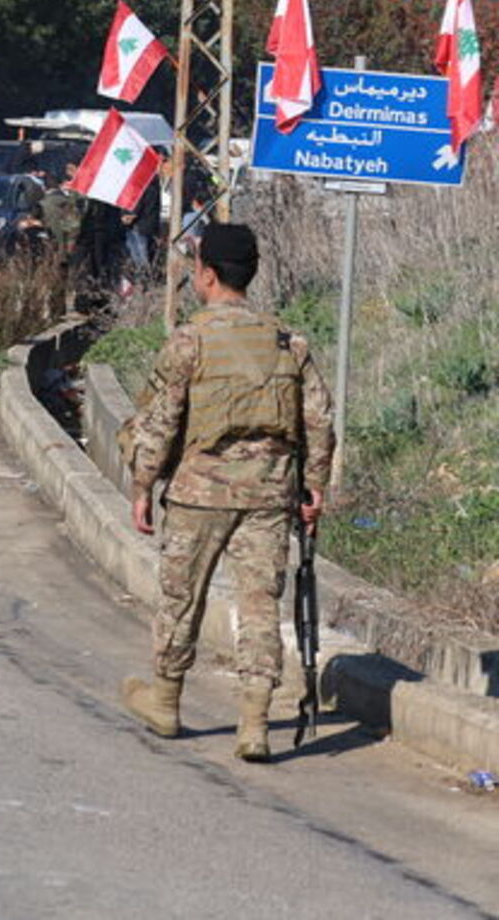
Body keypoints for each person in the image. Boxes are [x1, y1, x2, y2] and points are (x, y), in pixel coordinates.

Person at [118, 222, 334, 762]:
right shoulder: (288, 341)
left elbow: (162, 422)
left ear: (207, 275)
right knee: (261, 605)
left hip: (199, 493)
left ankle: (166, 701)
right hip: (269, 493)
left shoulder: (190, 340)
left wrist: (143, 485)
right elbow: (320, 423)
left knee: (181, 598)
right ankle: (255, 725)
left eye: (195, 269)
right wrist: (314, 489)